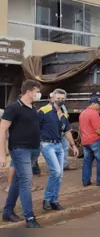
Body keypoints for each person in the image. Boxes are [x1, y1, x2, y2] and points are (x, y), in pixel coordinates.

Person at [0, 79, 43, 228]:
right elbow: (2, 130)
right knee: (26, 182)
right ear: (29, 91)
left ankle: (7, 211)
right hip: (20, 150)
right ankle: (30, 217)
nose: (39, 94)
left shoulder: (32, 108)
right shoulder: (13, 108)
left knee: (18, 181)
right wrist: (2, 154)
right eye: (37, 91)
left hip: (33, 150)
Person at [38, 89, 79, 211]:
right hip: (47, 145)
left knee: (60, 175)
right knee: (56, 171)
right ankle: (47, 198)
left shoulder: (63, 114)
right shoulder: (43, 111)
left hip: (59, 146)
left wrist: (73, 145)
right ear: (52, 98)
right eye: (58, 98)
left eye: (62, 98)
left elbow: (67, 130)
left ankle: (54, 200)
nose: (60, 100)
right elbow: (35, 126)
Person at [79, 97, 100, 187]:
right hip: (95, 140)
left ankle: (86, 181)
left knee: (87, 162)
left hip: (85, 141)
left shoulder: (83, 113)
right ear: (93, 104)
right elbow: (97, 129)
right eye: (98, 104)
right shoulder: (94, 113)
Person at [48, 92, 76, 171]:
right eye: (53, 98)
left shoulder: (62, 106)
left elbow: (65, 116)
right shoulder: (47, 108)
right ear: (50, 99)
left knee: (65, 147)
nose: (59, 100)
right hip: (54, 133)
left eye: (62, 98)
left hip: (63, 131)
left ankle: (65, 164)